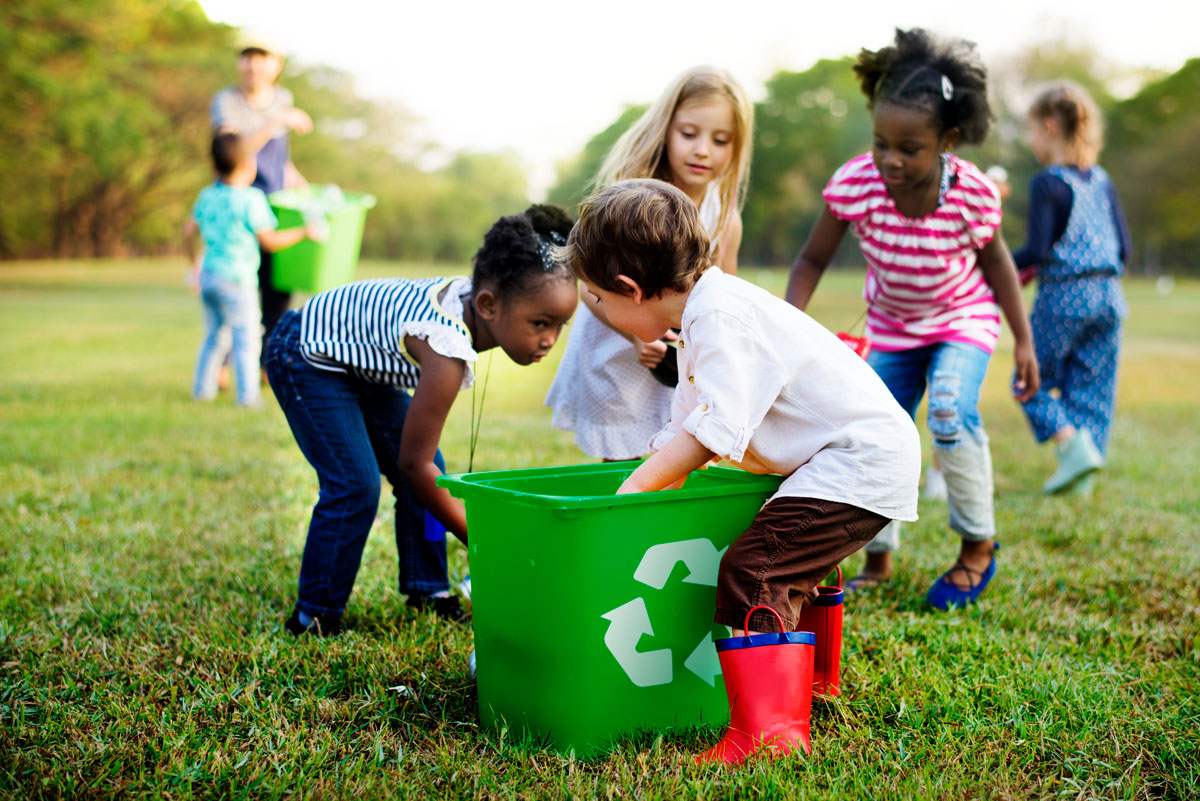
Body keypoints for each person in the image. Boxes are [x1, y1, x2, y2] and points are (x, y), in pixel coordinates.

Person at [564, 178, 919, 762]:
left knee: (756, 571)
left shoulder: (721, 318)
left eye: (598, 300)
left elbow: (713, 431)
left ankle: (772, 736)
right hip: (845, 460)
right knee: (793, 561)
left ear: (630, 288)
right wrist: (656, 479)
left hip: (857, 461)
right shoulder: (707, 315)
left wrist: (634, 491)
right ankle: (812, 690)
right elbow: (686, 427)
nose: (599, 312)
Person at [785, 28, 1040, 610]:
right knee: (876, 432)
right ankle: (879, 555)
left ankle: (977, 547)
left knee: (949, 408)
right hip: (894, 329)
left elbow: (998, 266)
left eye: (909, 147)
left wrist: (1023, 340)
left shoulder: (970, 194)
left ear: (948, 139)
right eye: (881, 143)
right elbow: (811, 258)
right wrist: (790, 326)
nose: (891, 160)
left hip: (961, 319)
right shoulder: (857, 184)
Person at [264, 205, 579, 636]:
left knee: (436, 472)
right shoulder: (445, 348)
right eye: (540, 323)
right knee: (355, 484)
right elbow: (414, 465)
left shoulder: (475, 301)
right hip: (305, 353)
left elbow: (423, 465)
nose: (549, 340)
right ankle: (314, 615)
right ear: (487, 304)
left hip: (359, 366)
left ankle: (428, 589)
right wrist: (479, 536)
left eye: (561, 325)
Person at [545, 66, 754, 461]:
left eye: (721, 140)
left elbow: (723, 301)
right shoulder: (628, 200)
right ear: (665, 129)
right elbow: (589, 284)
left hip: (676, 362)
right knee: (623, 463)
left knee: (676, 456)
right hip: (617, 350)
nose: (703, 150)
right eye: (689, 134)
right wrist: (637, 336)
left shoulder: (725, 218)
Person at [1013, 81, 1130, 496]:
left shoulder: (1048, 182)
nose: (1030, 141)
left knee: (1031, 382)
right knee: (1092, 389)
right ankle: (1081, 478)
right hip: (1110, 297)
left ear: (1048, 127)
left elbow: (1038, 250)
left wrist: (995, 264)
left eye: (1030, 131)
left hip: (1065, 296)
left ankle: (1071, 450)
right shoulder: (1102, 179)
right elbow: (1125, 248)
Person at [185, 133, 322, 408]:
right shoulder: (251, 199)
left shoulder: (207, 196)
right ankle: (248, 398)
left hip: (210, 275)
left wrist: (194, 263)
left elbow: (189, 231)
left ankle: (202, 391)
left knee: (214, 336)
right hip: (237, 279)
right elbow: (269, 241)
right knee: (246, 337)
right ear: (249, 166)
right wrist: (305, 232)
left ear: (214, 167)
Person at [211, 37, 313, 372]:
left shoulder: (282, 98)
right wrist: (275, 123)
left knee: (277, 291)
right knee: (239, 286)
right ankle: (224, 366)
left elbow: (279, 157)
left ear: (276, 64)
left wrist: (299, 183)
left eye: (262, 57)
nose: (254, 64)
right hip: (237, 204)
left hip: (275, 205)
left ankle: (271, 365)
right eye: (247, 56)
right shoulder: (227, 102)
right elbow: (233, 151)